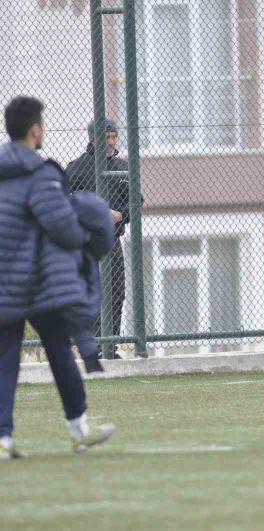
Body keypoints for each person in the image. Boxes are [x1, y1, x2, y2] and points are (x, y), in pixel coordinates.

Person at [0, 97, 115, 459]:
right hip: (39, 282)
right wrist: (85, 238)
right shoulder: (40, 173)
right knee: (60, 352)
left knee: (4, 360)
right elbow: (61, 225)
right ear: (35, 130)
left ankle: (2, 439)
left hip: (3, 282)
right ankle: (79, 431)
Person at [66, 117, 131, 359]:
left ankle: (110, 347)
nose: (112, 142)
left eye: (114, 137)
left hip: (112, 241)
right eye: (107, 138)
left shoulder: (122, 167)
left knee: (116, 292)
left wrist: (120, 215)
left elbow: (136, 201)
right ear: (93, 139)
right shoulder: (76, 168)